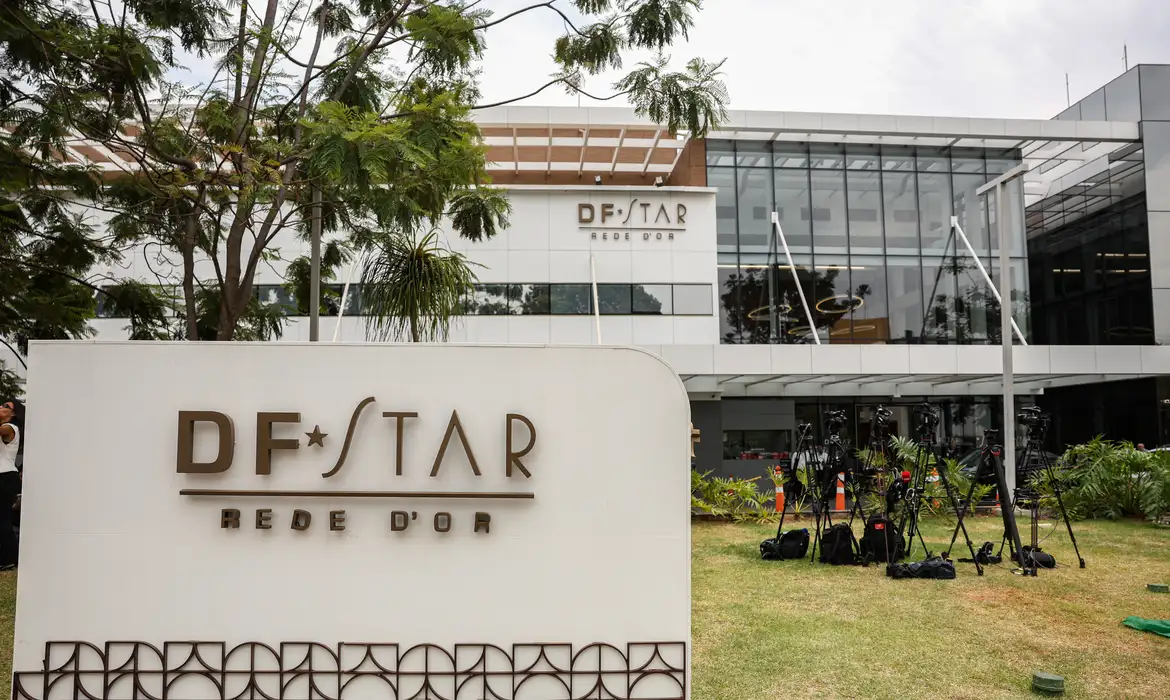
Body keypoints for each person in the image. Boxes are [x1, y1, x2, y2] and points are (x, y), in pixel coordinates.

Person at [0, 398, 21, 570]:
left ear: (12, 413)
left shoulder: (11, 428)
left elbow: (3, 431)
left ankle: (9, 559)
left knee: (3, 519)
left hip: (6, 477)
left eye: (6, 406)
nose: (1, 407)